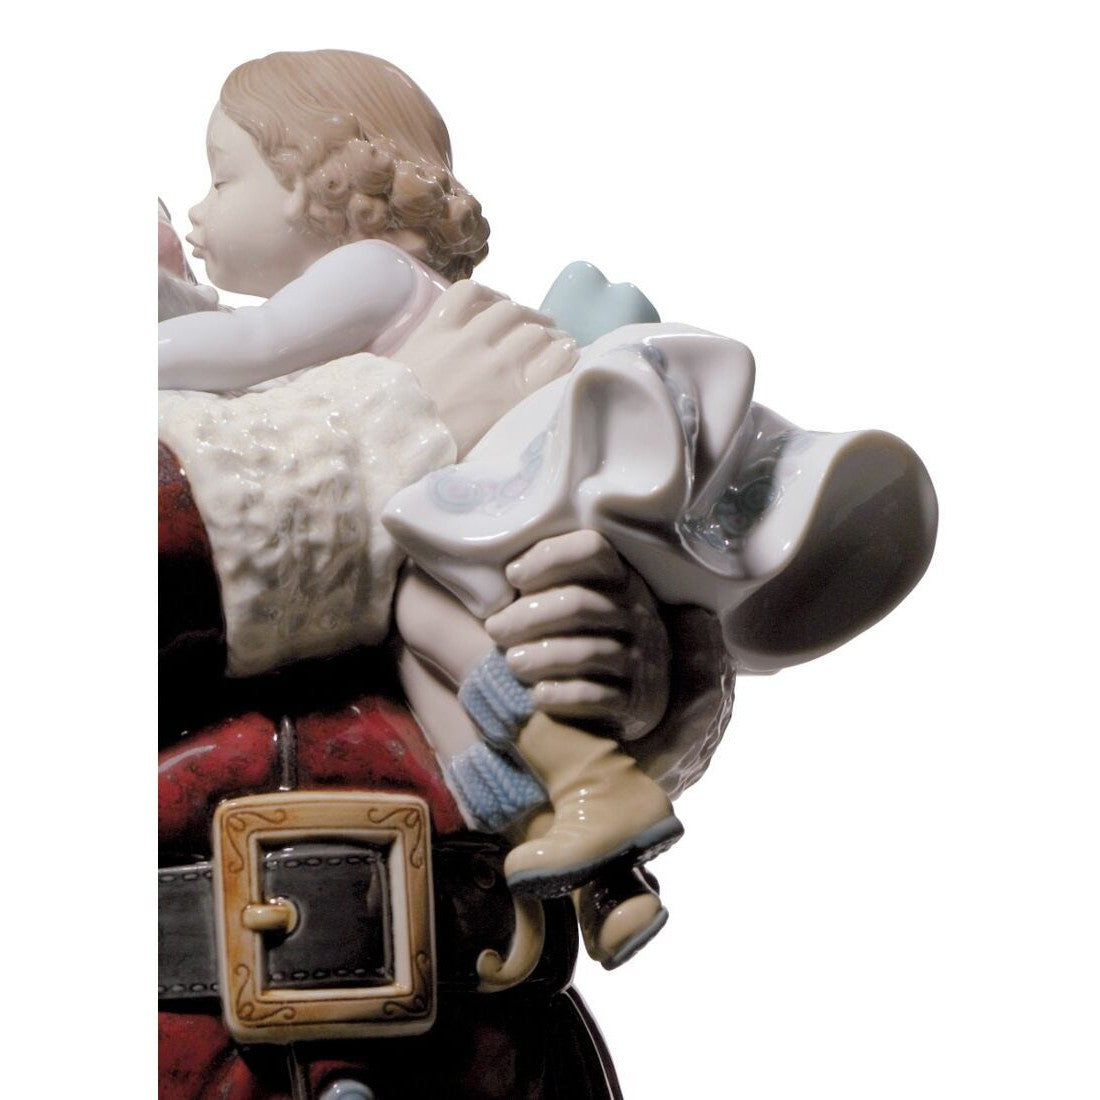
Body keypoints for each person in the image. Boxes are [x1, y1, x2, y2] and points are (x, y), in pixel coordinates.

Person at [158, 49, 732, 978]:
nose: (191, 221)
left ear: (308, 184)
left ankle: (587, 784)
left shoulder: (366, 275)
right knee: (433, 661)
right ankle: (580, 848)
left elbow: (247, 341)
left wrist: (651, 674)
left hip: (467, 525)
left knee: (438, 621)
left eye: (222, 181)